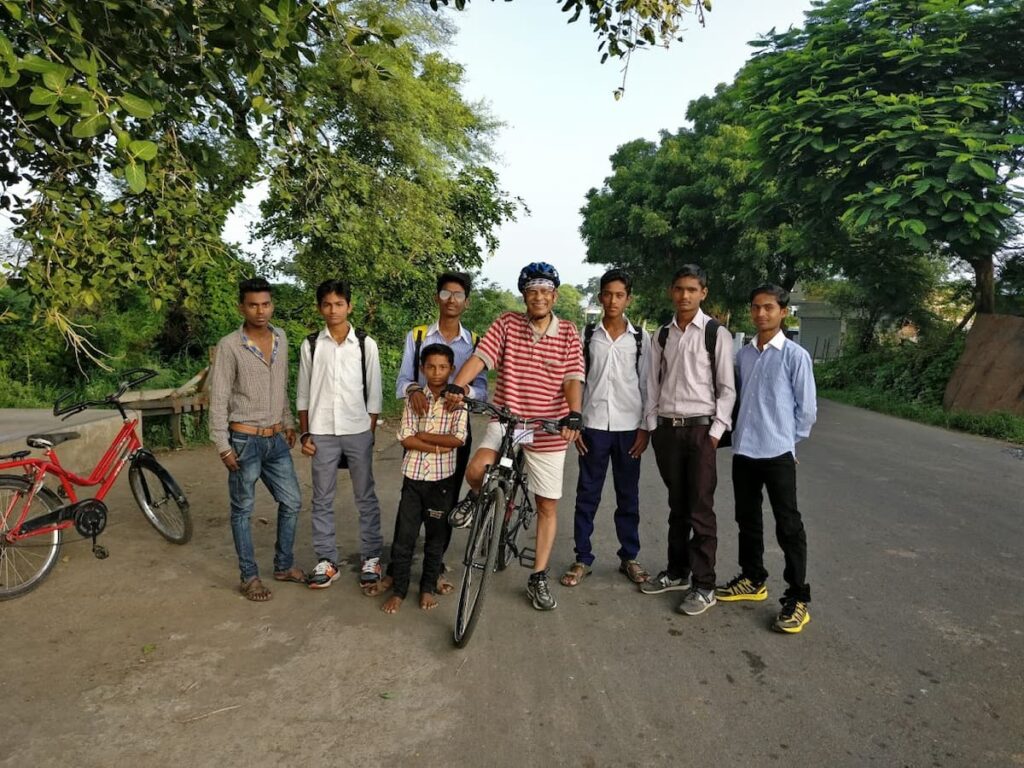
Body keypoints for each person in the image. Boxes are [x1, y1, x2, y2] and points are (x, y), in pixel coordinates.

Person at [445, 261, 584, 611]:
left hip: (547, 429)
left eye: (545, 291)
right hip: (508, 420)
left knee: (546, 505)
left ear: (554, 296)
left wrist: (574, 412)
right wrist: (457, 386)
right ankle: (476, 500)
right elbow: (482, 357)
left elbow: (572, 378)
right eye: (532, 291)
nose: (539, 297)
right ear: (525, 295)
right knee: (476, 471)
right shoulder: (507, 323)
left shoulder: (568, 333)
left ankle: (537, 577)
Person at [715, 284, 817, 634]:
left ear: (783, 312)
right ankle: (752, 578)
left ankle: (797, 597)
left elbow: (807, 411)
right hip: (744, 451)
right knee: (747, 519)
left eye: (769, 308)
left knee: (788, 525)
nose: (761, 314)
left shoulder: (794, 355)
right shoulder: (744, 355)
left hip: (777, 453)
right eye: (756, 307)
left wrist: (790, 445)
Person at [383, 271, 487, 596]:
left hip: (455, 427)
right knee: (410, 499)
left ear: (466, 302)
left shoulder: (475, 342)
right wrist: (414, 388)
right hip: (420, 425)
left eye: (458, 295)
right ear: (436, 298)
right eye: (445, 294)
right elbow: (402, 380)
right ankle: (395, 571)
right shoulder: (417, 337)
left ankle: (435, 568)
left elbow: (482, 388)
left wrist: (463, 391)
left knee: (447, 497)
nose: (451, 300)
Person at [642, 264, 736, 616]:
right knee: (677, 506)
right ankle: (678, 571)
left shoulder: (715, 333)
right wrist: (653, 424)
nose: (684, 296)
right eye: (679, 289)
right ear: (671, 291)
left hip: (700, 430)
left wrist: (714, 434)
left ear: (703, 293)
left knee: (700, 508)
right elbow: (652, 383)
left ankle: (704, 584)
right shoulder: (663, 335)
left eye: (692, 290)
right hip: (667, 430)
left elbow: (727, 389)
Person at [209, 276, 304, 602]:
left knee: (292, 501)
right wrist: (222, 446)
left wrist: (289, 421)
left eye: (265, 304)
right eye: (253, 304)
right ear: (242, 307)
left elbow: (282, 386)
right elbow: (218, 398)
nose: (260, 310)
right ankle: (249, 577)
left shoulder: (281, 337)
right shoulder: (229, 345)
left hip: (276, 439)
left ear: (272, 305)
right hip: (244, 441)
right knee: (243, 510)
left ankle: (283, 565)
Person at [561, 268, 651, 588]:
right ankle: (582, 557)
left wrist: (645, 429)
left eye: (619, 295)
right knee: (588, 494)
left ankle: (629, 556)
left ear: (628, 298)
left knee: (628, 496)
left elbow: (646, 385)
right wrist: (577, 424)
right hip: (594, 426)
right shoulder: (587, 336)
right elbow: (576, 382)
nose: (613, 301)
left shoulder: (640, 339)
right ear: (600, 297)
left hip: (629, 428)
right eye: (607, 294)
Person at [296, 279, 385, 591]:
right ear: (319, 307)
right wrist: (305, 433)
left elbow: (374, 393)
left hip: (358, 429)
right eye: (327, 304)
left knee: (365, 496)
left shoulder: (364, 344)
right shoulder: (310, 345)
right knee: (321, 497)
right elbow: (304, 394)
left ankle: (372, 556)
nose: (333, 310)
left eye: (339, 304)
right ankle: (327, 560)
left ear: (350, 305)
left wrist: (370, 431)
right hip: (321, 432)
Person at [382, 344, 468, 614]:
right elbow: (404, 437)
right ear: (422, 369)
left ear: (452, 369)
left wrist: (423, 437)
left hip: (442, 481)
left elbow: (458, 439)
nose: (436, 372)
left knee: (435, 538)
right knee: (405, 537)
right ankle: (399, 590)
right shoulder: (413, 400)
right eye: (430, 366)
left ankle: (427, 588)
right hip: (413, 478)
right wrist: (437, 447)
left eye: (443, 367)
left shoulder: (458, 403)